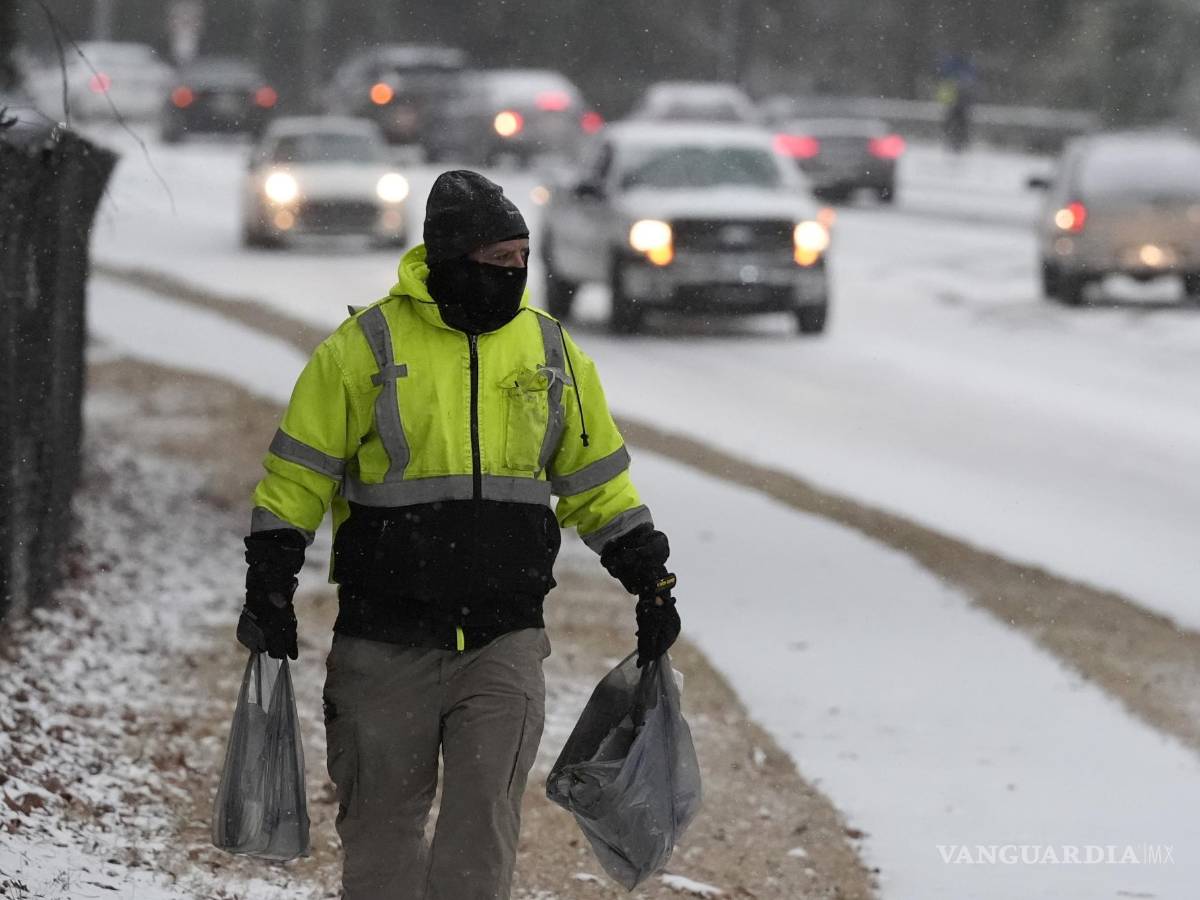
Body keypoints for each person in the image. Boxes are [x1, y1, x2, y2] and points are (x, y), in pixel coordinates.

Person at [235, 170, 681, 900]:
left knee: (482, 837)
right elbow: (297, 477)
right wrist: (270, 580)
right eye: (495, 261)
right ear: (447, 258)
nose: (511, 276)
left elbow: (596, 482)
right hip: (385, 646)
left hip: (504, 645)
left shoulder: (550, 350)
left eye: (520, 262)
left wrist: (648, 577)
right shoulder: (363, 349)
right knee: (382, 837)